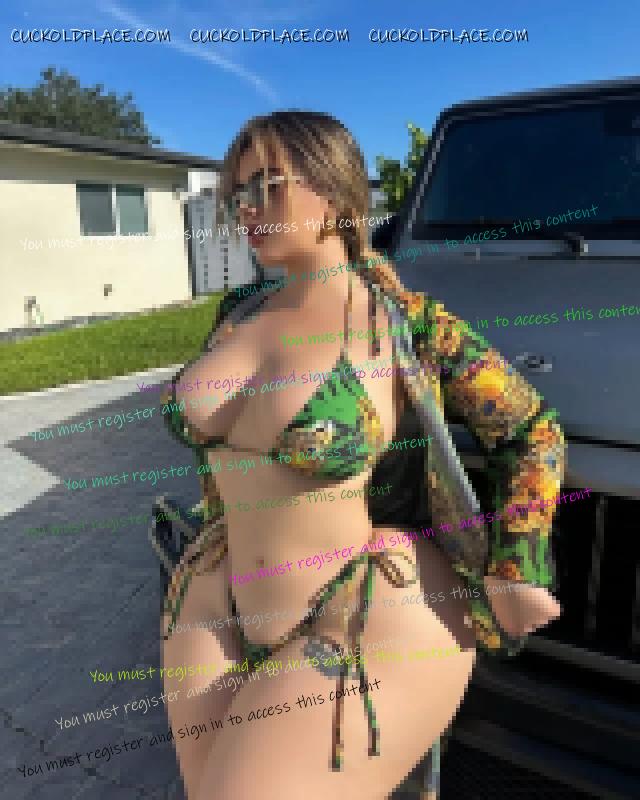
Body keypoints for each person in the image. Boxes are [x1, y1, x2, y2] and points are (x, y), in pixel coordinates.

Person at [153, 110, 564, 800]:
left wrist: (518, 565)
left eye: (267, 186)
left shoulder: (408, 325)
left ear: (336, 193)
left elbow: (531, 430)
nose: (246, 208)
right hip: (212, 599)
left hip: (352, 603)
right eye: (237, 193)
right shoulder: (237, 313)